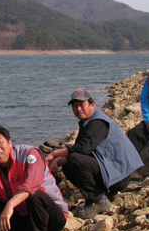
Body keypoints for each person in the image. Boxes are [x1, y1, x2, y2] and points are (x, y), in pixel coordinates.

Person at [45, 90, 143, 220]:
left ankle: (98, 200)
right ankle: (101, 195)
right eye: (75, 106)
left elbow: (83, 148)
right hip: (112, 172)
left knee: (74, 160)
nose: (78, 109)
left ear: (92, 105)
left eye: (82, 105)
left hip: (120, 176)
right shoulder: (86, 124)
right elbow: (78, 150)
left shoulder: (98, 122)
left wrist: (55, 153)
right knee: (70, 162)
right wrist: (57, 161)